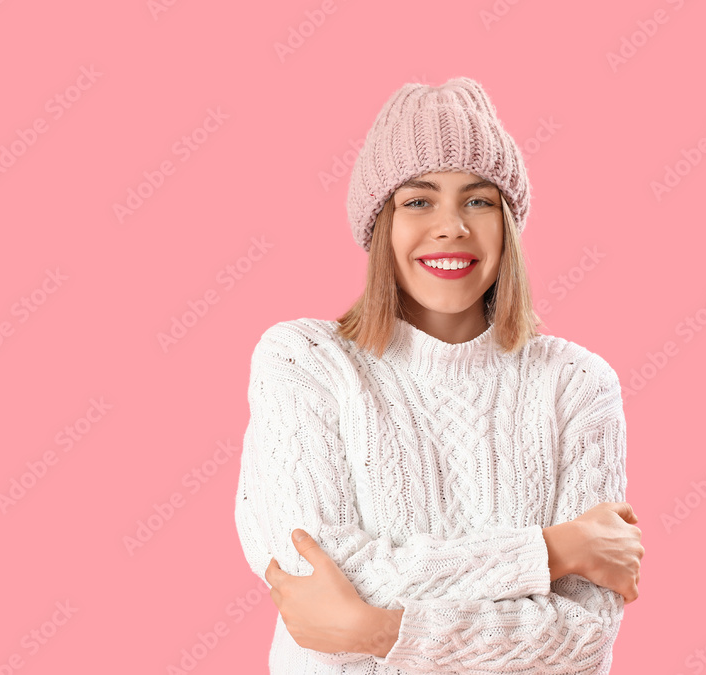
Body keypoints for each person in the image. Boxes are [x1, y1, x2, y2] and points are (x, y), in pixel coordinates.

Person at [234, 76, 644, 674]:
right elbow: (314, 578)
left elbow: (581, 640)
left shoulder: (576, 385)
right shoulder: (305, 361)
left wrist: (376, 633)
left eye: (478, 200)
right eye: (418, 200)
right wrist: (554, 550)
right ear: (381, 227)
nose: (451, 225)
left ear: (507, 225)